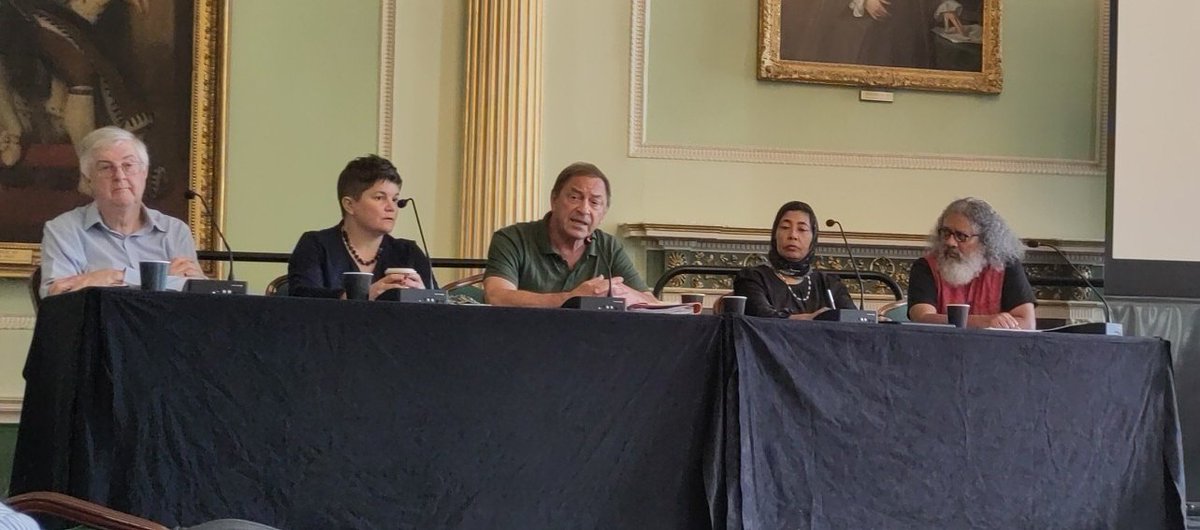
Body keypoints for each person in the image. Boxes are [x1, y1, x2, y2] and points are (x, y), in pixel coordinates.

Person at [39, 126, 203, 297]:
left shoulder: (175, 231)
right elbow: (57, 298)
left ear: (144, 172)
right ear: (88, 179)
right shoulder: (64, 230)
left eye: (128, 165)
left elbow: (197, 296)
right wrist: (164, 280)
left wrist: (110, 277)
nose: (119, 175)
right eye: (106, 167)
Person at [483, 162, 658, 307]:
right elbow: (497, 296)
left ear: (603, 214)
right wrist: (571, 299)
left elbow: (651, 302)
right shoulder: (512, 239)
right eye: (574, 198)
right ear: (554, 200)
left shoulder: (608, 247)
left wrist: (629, 296)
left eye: (595, 202)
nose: (584, 209)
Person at [287, 154, 435, 299]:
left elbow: (442, 310)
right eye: (379, 197)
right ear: (349, 205)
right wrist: (362, 296)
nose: (391, 207)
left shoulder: (408, 252)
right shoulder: (315, 245)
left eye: (395, 199)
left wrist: (425, 297)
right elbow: (302, 299)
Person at [907, 197, 1036, 329]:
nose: (949, 242)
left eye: (961, 236)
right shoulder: (925, 266)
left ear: (985, 240)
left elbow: (1027, 323)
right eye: (946, 233)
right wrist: (987, 322)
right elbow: (922, 318)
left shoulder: (1007, 266)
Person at [733, 201, 856, 319]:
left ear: (813, 238)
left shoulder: (829, 283)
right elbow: (762, 317)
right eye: (785, 227)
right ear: (775, 234)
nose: (793, 235)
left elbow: (854, 322)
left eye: (802, 229)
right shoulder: (753, 278)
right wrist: (811, 319)